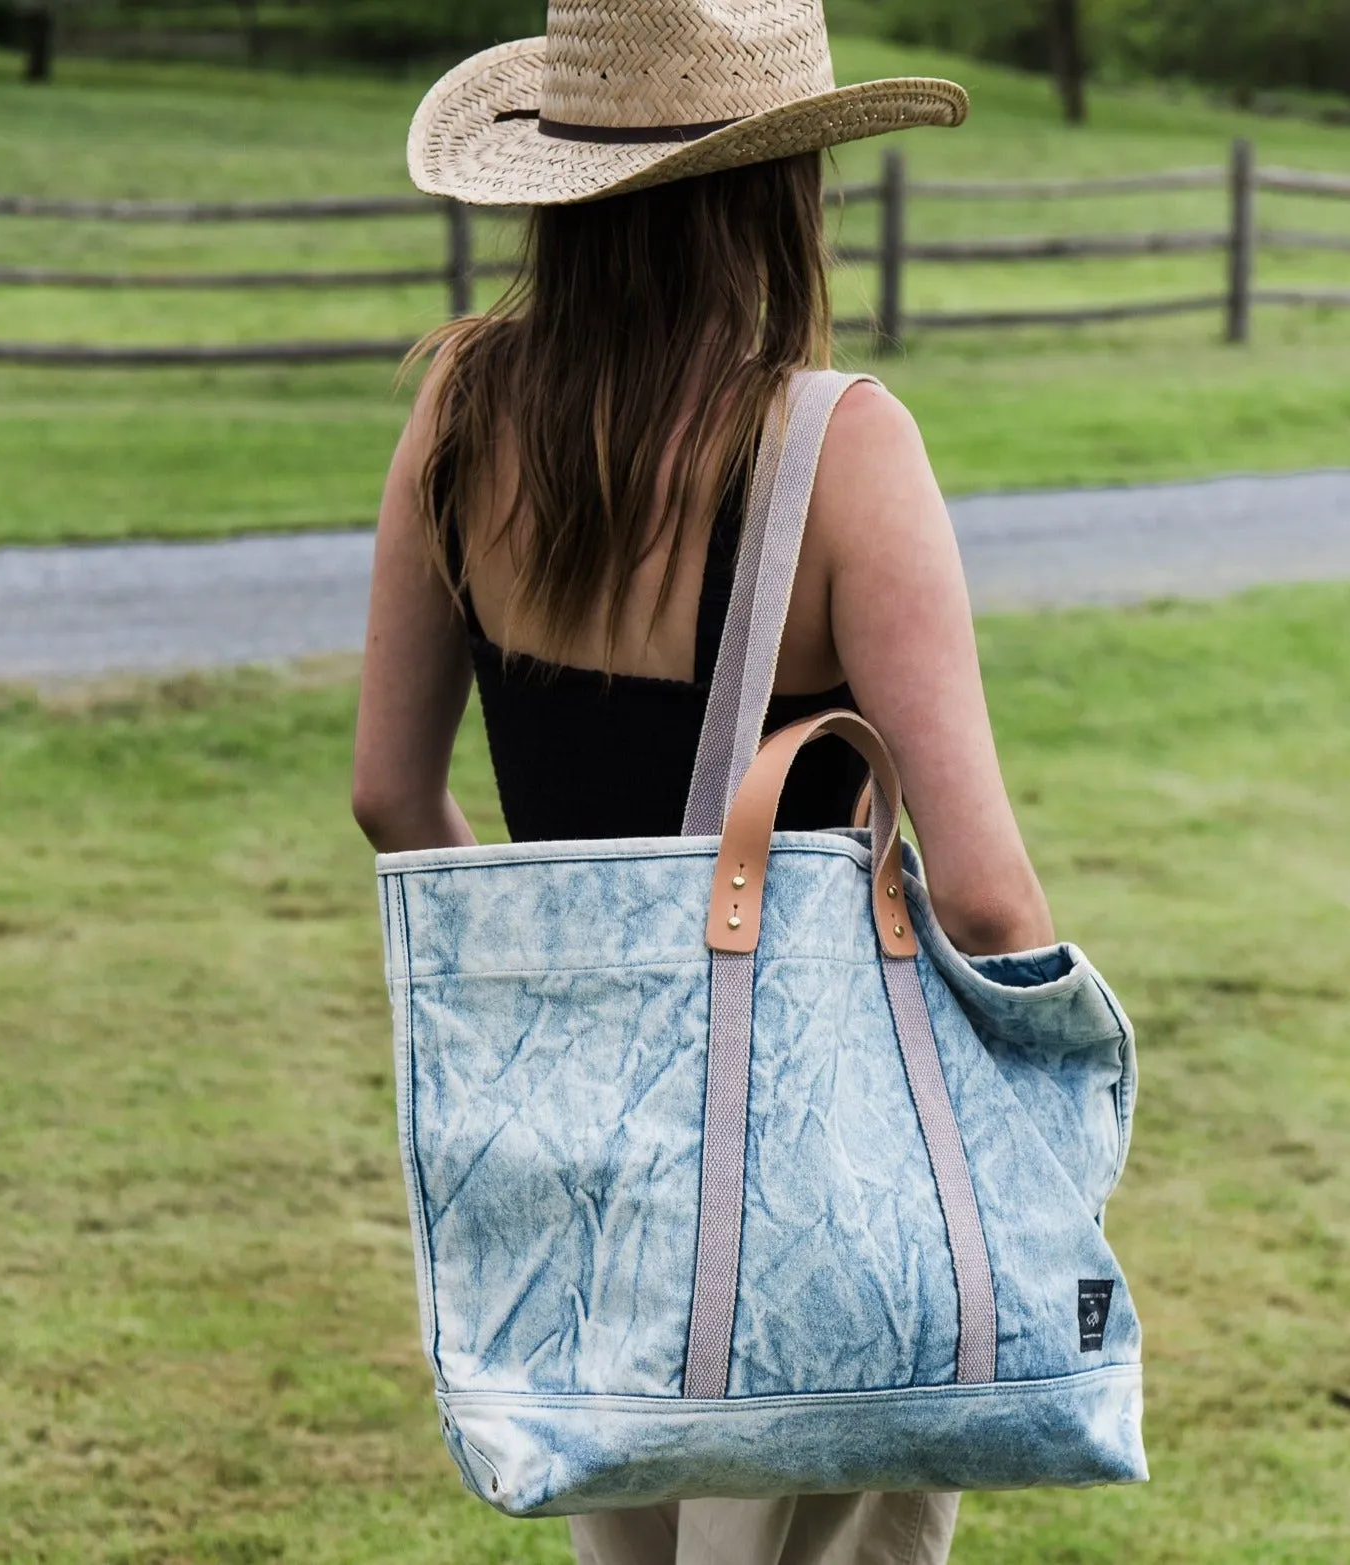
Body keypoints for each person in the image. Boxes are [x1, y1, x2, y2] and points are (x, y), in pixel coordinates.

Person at [353, 3, 1054, 1561]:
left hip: (588, 1150)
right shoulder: (837, 447)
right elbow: (993, 891)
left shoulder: (460, 411)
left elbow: (393, 797)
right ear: (777, 187)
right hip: (811, 1171)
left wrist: (565, 1009)